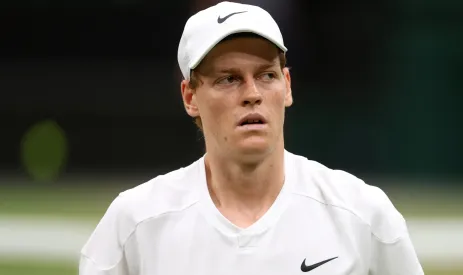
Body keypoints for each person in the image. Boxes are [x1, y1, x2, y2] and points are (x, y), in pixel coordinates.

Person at [79, 1, 424, 274]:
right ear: (190, 97)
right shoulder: (136, 224)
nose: (252, 93)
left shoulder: (362, 216)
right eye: (228, 79)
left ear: (287, 86)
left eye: (267, 75)